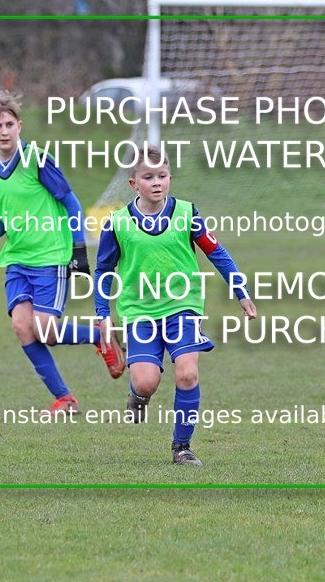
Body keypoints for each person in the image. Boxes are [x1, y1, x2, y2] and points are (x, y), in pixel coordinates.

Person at [95, 145, 257, 466]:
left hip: (183, 307)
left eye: (163, 176)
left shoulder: (187, 213)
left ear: (170, 177)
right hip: (138, 311)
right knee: (146, 381)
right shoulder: (117, 223)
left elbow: (217, 253)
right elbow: (103, 270)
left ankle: (181, 447)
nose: (157, 182)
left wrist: (242, 291)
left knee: (187, 374)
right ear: (133, 183)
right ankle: (139, 395)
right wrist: (102, 315)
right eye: (148, 177)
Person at [0, 90, 125, 416]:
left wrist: (79, 249)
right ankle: (65, 398)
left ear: (20, 126)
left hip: (51, 256)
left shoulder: (37, 159)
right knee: (21, 326)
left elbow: (70, 202)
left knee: (45, 331)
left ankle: (101, 334)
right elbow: (2, 214)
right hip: (17, 258)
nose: (4, 131)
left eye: (9, 124)